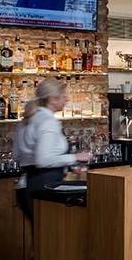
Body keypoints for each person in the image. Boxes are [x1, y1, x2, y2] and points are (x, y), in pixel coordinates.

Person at [13, 78, 92, 221]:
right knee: (53, 233)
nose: (67, 99)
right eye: (63, 96)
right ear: (52, 99)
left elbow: (17, 155)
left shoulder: (26, 120)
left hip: (26, 185)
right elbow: (43, 160)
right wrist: (76, 157)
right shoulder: (48, 121)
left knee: (42, 233)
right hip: (45, 188)